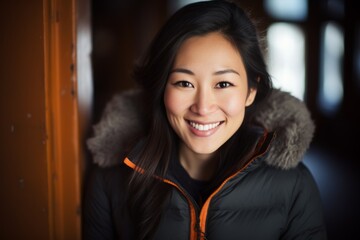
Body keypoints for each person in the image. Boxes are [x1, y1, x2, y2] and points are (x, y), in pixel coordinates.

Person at [83, 1, 327, 239]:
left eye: (223, 84)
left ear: (251, 90)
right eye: (184, 83)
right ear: (161, 89)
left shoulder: (294, 185)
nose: (202, 106)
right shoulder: (110, 181)